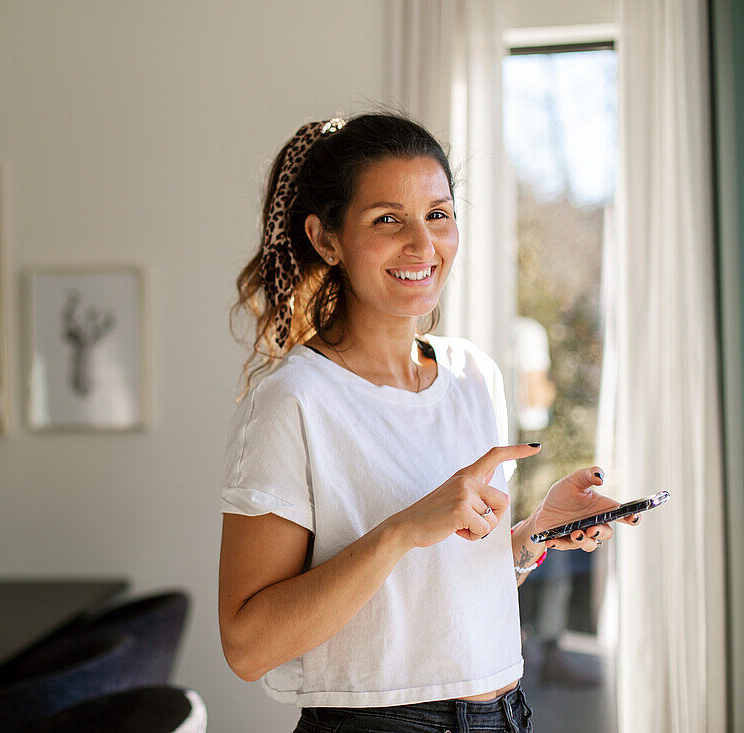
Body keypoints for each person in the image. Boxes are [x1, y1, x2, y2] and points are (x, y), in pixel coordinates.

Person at [217, 113, 642, 733]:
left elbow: (439, 600)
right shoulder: (294, 399)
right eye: (388, 219)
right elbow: (248, 646)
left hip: (505, 713)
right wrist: (402, 530)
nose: (423, 244)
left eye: (438, 215)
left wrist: (532, 537)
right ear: (326, 238)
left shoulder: (475, 377)